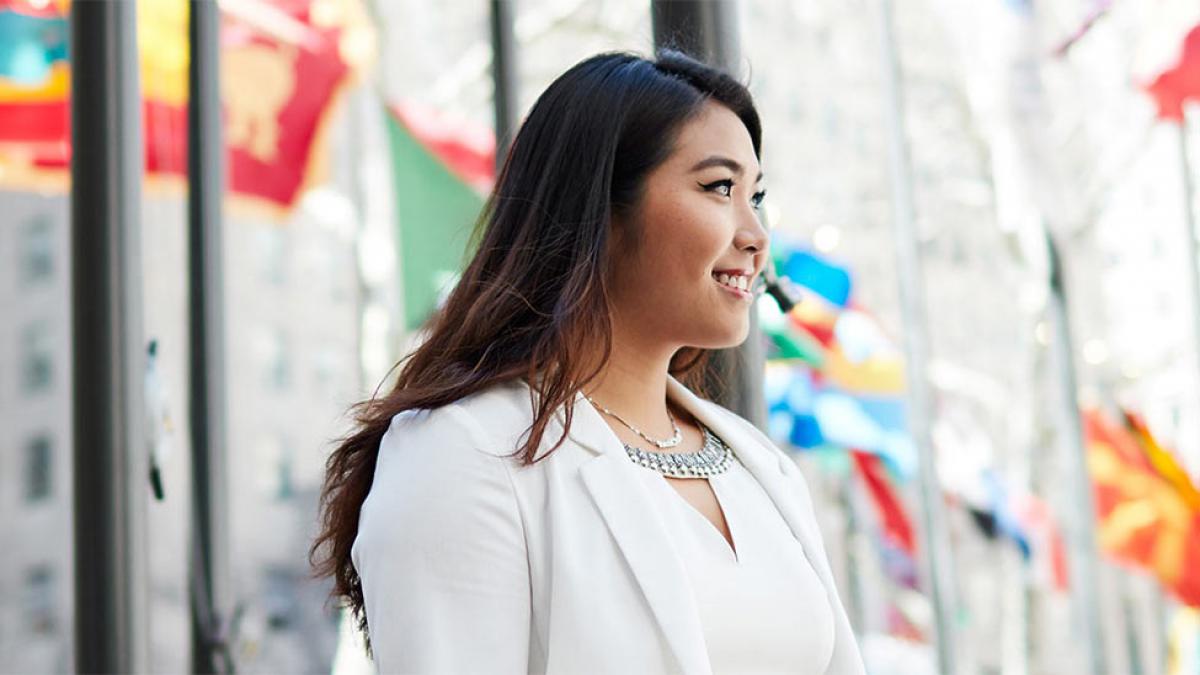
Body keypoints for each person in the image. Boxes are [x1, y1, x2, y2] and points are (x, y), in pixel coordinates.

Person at [312, 49, 865, 675]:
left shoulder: (762, 468)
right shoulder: (464, 454)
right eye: (719, 188)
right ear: (600, 207)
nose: (756, 235)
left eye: (755, 196)